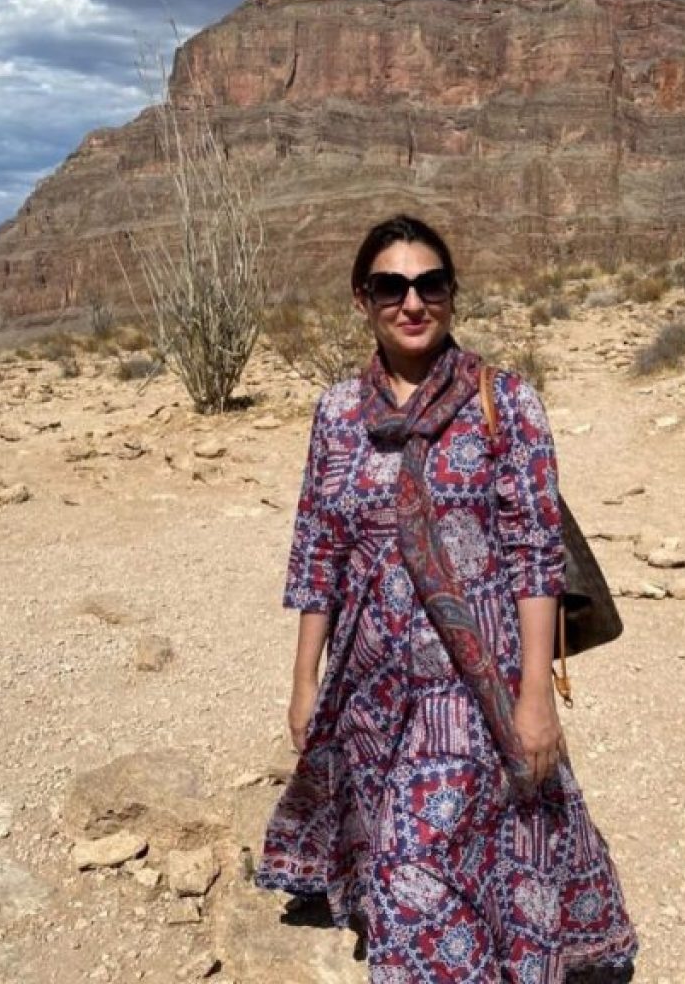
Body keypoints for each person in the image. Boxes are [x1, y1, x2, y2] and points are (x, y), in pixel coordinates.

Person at [257, 214, 638, 982]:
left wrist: (536, 697)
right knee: (450, 848)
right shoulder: (336, 415)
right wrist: (305, 685)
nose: (412, 301)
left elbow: (535, 557)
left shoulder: (505, 403)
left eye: (429, 284)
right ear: (363, 299)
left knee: (412, 859)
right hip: (369, 691)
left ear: (452, 295)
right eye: (390, 286)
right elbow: (319, 551)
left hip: (472, 686)